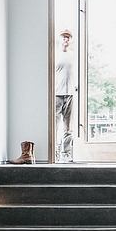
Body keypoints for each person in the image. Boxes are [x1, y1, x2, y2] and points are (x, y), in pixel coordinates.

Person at [54, 29, 75, 162]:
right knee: (54, 125)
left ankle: (66, 153)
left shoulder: (73, 55)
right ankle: (54, 153)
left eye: (68, 37)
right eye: (64, 37)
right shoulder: (55, 54)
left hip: (70, 94)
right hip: (56, 94)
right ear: (59, 39)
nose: (66, 39)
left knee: (68, 127)